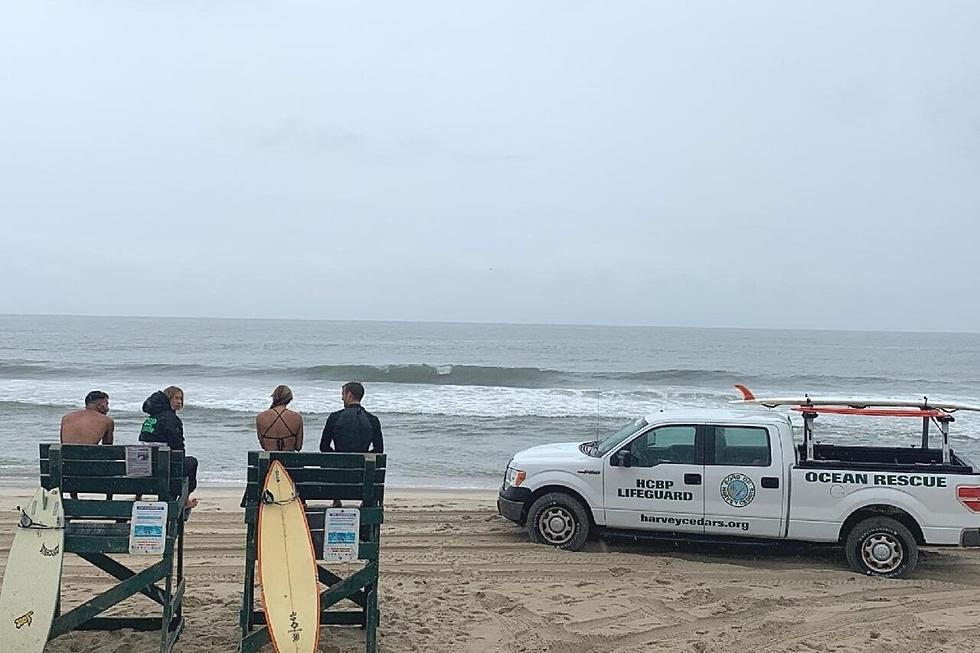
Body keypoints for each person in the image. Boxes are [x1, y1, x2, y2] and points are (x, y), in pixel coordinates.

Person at [139, 386, 199, 508]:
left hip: (145, 468)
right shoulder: (171, 419)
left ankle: (138, 495)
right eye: (176, 398)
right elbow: (178, 446)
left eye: (181, 399)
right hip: (163, 470)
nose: (179, 401)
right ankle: (185, 501)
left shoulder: (151, 419)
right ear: (167, 399)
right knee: (192, 462)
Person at [319, 381, 383, 454]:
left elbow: (323, 447)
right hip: (363, 465)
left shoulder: (334, 417)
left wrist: (338, 457)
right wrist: (363, 457)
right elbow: (379, 450)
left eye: (343, 394)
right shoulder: (372, 419)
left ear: (349, 395)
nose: (342, 398)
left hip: (338, 464)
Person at [255, 385, 304, 451]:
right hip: (290, 459)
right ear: (289, 399)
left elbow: (263, 445)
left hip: (269, 459)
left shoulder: (260, 417)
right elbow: (298, 447)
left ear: (274, 398)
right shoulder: (297, 417)